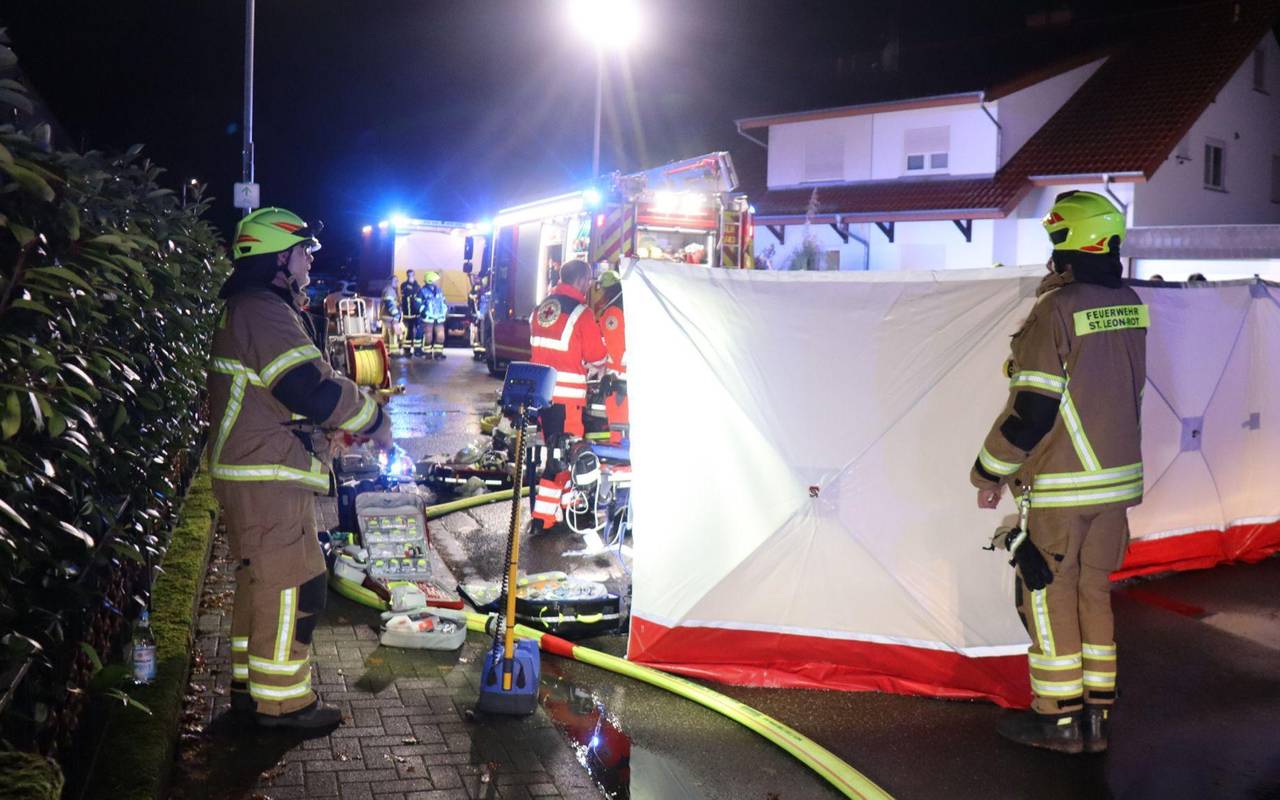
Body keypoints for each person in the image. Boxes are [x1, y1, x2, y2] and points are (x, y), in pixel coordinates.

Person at [970, 191, 1147, 755]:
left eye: (1054, 239)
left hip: (1062, 488)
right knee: (1094, 592)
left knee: (1045, 597)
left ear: (1070, 241)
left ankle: (1059, 720)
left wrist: (988, 472)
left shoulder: (1057, 309)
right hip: (1115, 486)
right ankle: (1096, 712)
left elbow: (1032, 412)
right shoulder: (1132, 302)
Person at [209, 207, 393, 729]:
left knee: (261, 580)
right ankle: (282, 706)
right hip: (263, 474)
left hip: (255, 470)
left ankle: (250, 694)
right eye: (302, 251)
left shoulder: (251, 307)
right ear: (277, 258)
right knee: (295, 583)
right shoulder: (261, 311)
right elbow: (306, 386)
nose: (310, 260)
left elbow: (276, 393)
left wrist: (324, 429)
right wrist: (374, 418)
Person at [529, 260, 608, 530]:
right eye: (588, 282)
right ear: (583, 281)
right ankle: (544, 518)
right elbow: (597, 356)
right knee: (564, 455)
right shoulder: (581, 313)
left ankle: (566, 509)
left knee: (555, 450)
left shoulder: (542, 309)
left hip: (543, 396)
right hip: (568, 398)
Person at [590, 269, 627, 444]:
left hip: (618, 380)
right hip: (623, 377)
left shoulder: (613, 313)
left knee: (618, 423)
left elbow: (615, 348)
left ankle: (619, 458)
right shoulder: (625, 307)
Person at [419, 271, 449, 359]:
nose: (437, 281)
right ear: (430, 280)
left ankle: (438, 353)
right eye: (436, 280)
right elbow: (417, 304)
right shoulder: (422, 291)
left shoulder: (439, 290)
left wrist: (445, 310)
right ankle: (427, 353)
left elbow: (443, 301)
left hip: (439, 317)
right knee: (428, 336)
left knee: (441, 336)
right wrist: (424, 312)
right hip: (428, 318)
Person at [399, 269, 423, 356]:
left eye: (412, 275)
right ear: (407, 275)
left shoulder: (417, 285)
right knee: (409, 332)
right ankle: (407, 350)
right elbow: (407, 293)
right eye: (409, 275)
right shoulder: (404, 285)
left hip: (416, 313)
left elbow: (419, 295)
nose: (411, 277)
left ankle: (418, 349)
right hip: (407, 313)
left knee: (419, 331)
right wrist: (413, 292)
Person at [379, 283, 402, 352]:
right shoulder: (389, 290)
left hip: (387, 315)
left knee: (386, 334)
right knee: (392, 333)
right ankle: (393, 351)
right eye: (395, 280)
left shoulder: (389, 290)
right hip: (390, 316)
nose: (397, 282)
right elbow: (390, 304)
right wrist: (396, 314)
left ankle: (386, 350)